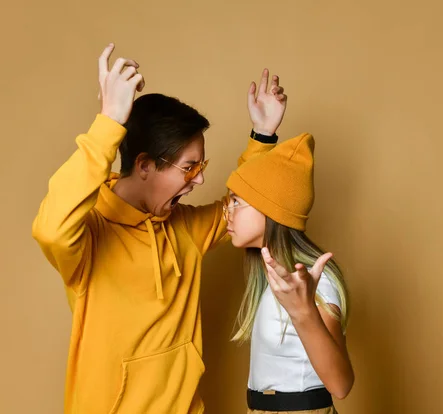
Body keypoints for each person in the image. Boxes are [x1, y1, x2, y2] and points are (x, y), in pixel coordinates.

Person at [31, 42, 287, 414]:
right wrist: (109, 123)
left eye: (201, 167)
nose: (198, 181)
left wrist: (263, 136)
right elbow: (51, 229)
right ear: (145, 165)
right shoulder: (90, 236)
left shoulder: (184, 227)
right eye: (189, 167)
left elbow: (240, 209)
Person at [224, 125, 355, 413]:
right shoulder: (271, 276)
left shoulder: (313, 281)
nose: (227, 213)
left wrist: (303, 311)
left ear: (270, 210)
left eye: (236, 201)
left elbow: (341, 385)